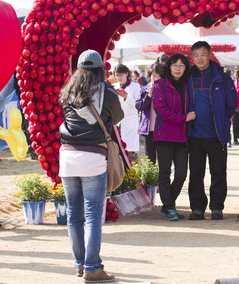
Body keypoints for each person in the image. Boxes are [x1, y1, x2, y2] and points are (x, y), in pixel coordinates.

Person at [59, 49, 124, 283]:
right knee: (93, 216)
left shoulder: (68, 91)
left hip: (67, 157)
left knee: (74, 216)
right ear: (101, 69)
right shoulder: (106, 91)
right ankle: (92, 267)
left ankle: (79, 264)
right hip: (93, 157)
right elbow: (117, 117)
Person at [187, 41, 237, 220]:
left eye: (203, 54)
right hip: (193, 134)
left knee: (218, 172)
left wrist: (222, 120)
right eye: (196, 55)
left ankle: (217, 207)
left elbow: (232, 104)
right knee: (196, 172)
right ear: (192, 57)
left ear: (209, 55)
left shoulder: (222, 78)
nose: (199, 58)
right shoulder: (188, 77)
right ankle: (197, 208)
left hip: (216, 134)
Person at [152, 54, 195, 221]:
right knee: (164, 173)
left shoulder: (188, 85)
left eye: (181, 65)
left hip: (182, 137)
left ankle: (167, 205)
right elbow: (161, 111)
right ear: (169, 67)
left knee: (181, 174)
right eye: (175, 65)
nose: (178, 68)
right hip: (164, 135)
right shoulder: (159, 85)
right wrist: (184, 118)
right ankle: (170, 207)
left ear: (185, 69)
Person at [135, 63, 166, 164]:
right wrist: (149, 96)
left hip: (162, 130)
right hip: (147, 131)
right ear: (150, 76)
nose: (156, 78)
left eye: (158, 76)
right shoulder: (144, 89)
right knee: (150, 160)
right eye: (154, 75)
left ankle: (162, 179)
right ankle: (150, 179)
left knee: (163, 160)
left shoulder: (166, 90)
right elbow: (139, 106)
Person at [113, 64, 142, 154]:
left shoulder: (135, 86)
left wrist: (126, 97)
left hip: (129, 122)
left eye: (121, 74)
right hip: (117, 122)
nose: (119, 77)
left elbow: (138, 105)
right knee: (117, 150)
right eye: (117, 75)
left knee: (129, 152)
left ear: (126, 73)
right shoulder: (114, 87)